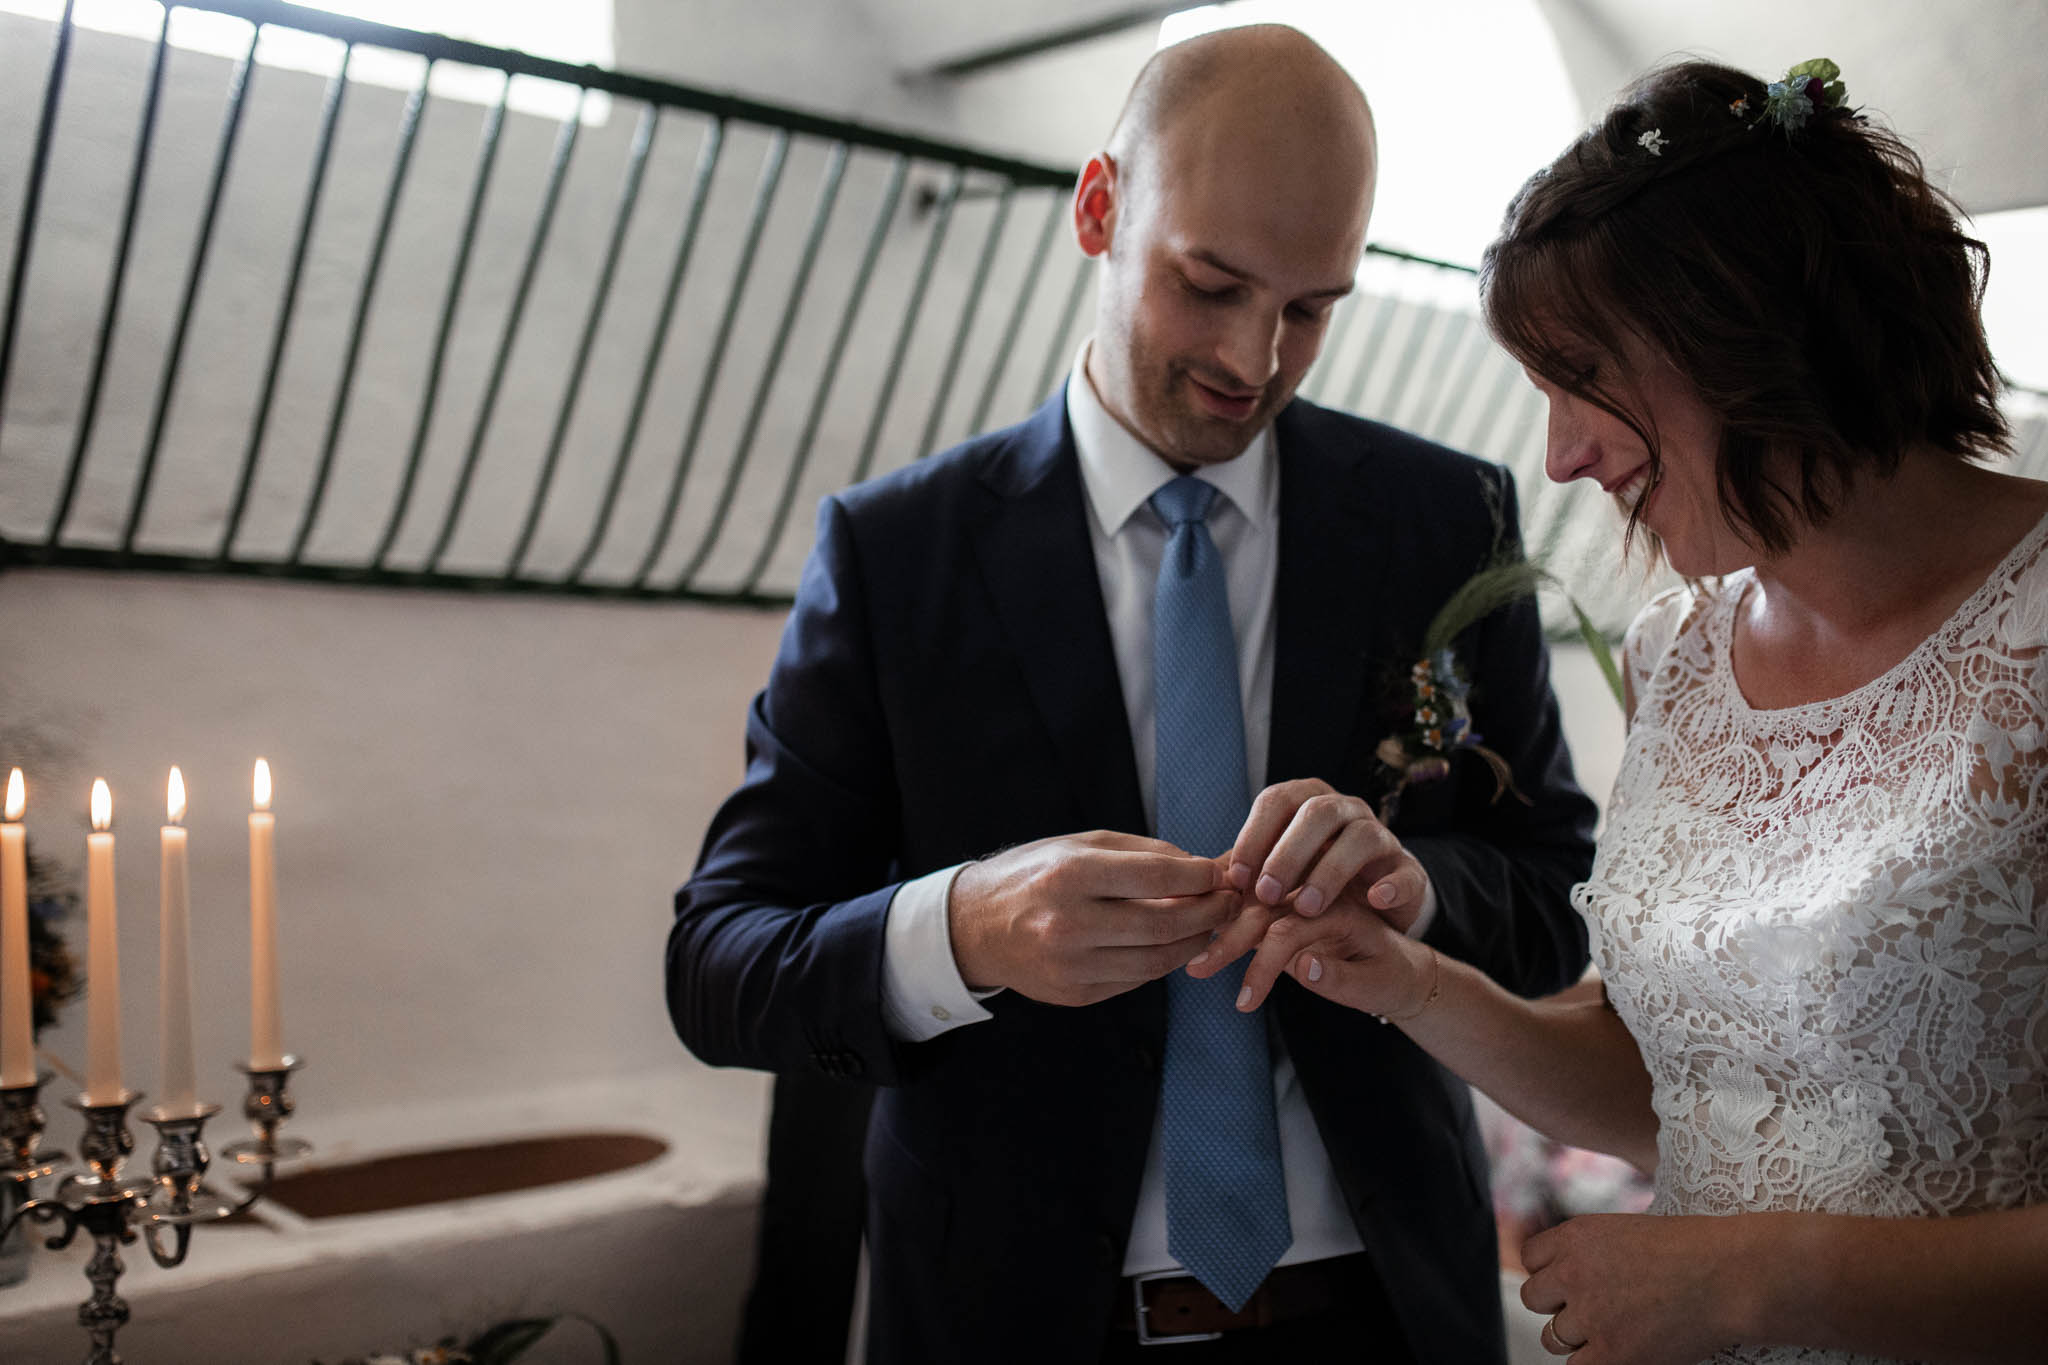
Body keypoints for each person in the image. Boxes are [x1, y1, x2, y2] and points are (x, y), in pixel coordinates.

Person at [667, 24, 1598, 1363]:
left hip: (1385, 1312)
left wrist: (1416, 889)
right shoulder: (898, 554)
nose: (1256, 360)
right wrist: (965, 929)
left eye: (1310, 308)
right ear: (1101, 209)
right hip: (1020, 1322)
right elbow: (719, 963)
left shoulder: (1442, 517)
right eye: (1211, 284)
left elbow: (1555, 888)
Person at [1210, 57, 2048, 1365]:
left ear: (1752, 327)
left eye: (1581, 376)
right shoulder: (1680, 657)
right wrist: (1411, 981)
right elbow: (1674, 1083)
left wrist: (1764, 1283)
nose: (1562, 455)